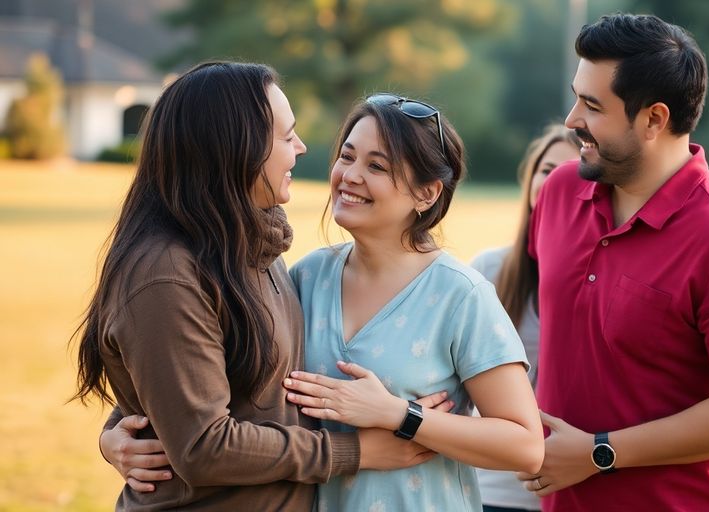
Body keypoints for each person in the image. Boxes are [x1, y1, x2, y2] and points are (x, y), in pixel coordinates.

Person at [78, 61, 446, 510]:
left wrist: (120, 427)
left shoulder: (249, 246)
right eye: (287, 137)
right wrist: (357, 451)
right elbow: (204, 445)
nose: (301, 148)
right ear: (235, 148)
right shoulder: (165, 274)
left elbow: (191, 382)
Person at [516, 14, 709, 511]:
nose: (571, 120)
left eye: (592, 105)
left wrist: (600, 452)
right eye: (577, 97)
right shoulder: (559, 192)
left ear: (653, 119)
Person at [279, 94, 544, 511]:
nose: (350, 176)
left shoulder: (461, 295)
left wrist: (399, 415)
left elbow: (525, 447)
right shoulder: (307, 276)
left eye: (377, 166)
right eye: (347, 157)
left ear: (427, 193)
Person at [470, 123, 581, 512]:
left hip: (572, 492)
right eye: (547, 170)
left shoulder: (600, 281)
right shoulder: (489, 270)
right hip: (490, 491)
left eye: (572, 172)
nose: (554, 182)